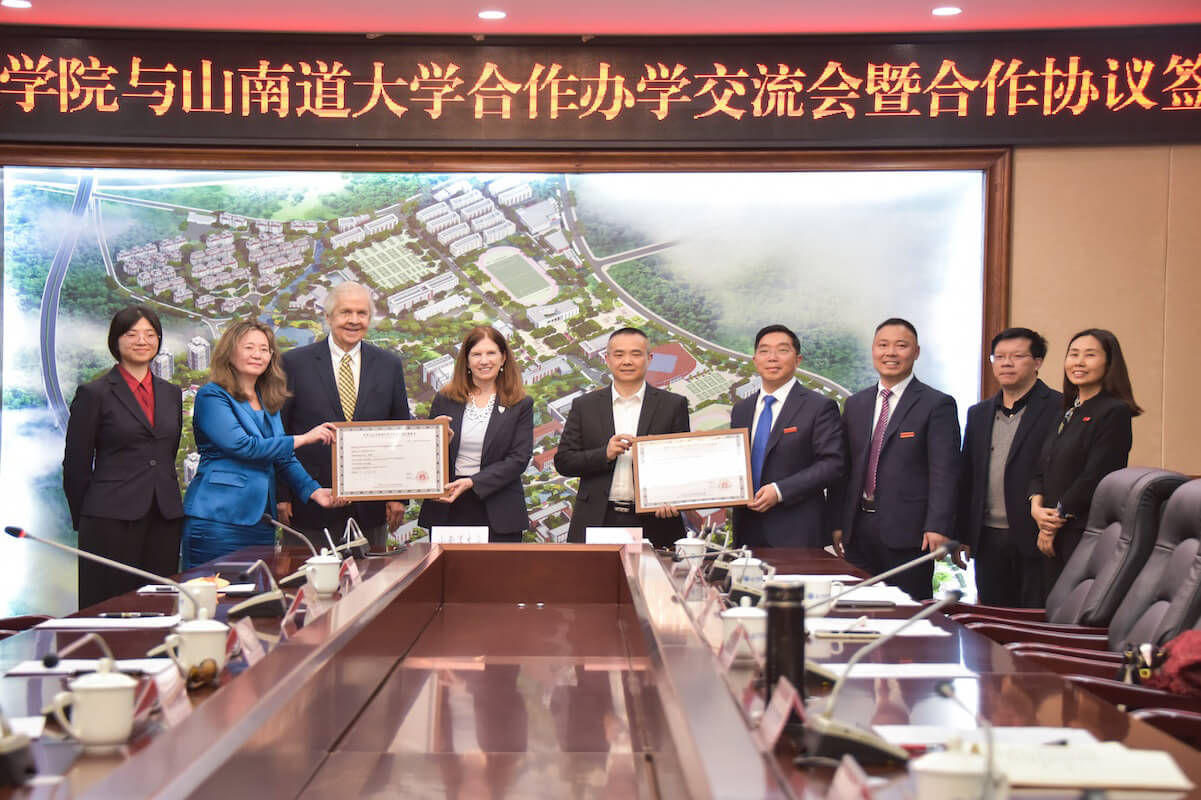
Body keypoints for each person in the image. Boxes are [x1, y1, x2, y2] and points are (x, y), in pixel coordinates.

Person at [182, 321, 344, 568]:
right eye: (249, 347)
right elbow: (244, 446)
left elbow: (283, 458)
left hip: (260, 522)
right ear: (230, 351)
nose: (257, 354)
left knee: (254, 600)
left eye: (264, 349)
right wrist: (304, 438)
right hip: (218, 520)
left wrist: (314, 491)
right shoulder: (212, 396)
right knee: (214, 597)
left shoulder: (267, 400)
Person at [62, 305, 184, 608]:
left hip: (163, 515)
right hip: (109, 519)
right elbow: (76, 464)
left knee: (159, 607)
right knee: (109, 606)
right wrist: (88, 517)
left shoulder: (171, 393)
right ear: (116, 341)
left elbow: (166, 453)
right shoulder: (95, 393)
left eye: (150, 334)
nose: (142, 341)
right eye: (132, 334)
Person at [829, 318, 960, 601]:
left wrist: (938, 525)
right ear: (873, 350)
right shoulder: (856, 404)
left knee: (905, 613)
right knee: (856, 608)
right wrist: (839, 522)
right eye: (883, 345)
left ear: (916, 352)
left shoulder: (936, 404)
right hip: (858, 529)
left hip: (909, 532)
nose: (891, 353)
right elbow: (845, 469)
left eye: (901, 346)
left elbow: (945, 471)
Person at [278, 282, 411, 550]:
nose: (354, 320)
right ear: (328, 317)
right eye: (345, 312)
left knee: (371, 586)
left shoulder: (390, 365)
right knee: (309, 586)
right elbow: (281, 432)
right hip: (309, 504)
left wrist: (400, 496)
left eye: (362, 313)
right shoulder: (293, 363)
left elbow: (400, 431)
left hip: (372, 506)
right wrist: (281, 495)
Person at [555, 327, 690, 547]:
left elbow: (683, 463)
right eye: (619, 355)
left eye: (636, 354)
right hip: (598, 519)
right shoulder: (584, 406)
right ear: (607, 360)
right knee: (593, 582)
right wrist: (604, 454)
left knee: (652, 582)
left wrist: (674, 499)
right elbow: (564, 462)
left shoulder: (673, 405)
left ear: (650, 358)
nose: (627, 361)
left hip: (655, 520)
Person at [1029, 328, 1139, 592]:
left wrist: (1052, 522)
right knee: (1049, 611)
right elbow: (1040, 468)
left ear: (1109, 363)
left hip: (1083, 530)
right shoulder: (1066, 411)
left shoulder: (1113, 411)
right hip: (1052, 527)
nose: (1078, 362)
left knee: (1071, 611)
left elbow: (1095, 476)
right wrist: (1036, 506)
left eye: (1089, 355)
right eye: (1073, 354)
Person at [957, 327, 1062, 607]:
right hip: (987, 537)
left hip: (1035, 536)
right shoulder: (978, 413)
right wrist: (963, 534)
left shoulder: (1059, 408)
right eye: (999, 356)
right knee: (993, 622)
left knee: (1033, 623)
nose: (1006, 363)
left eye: (1017, 356)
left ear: (1037, 362)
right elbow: (967, 476)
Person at [730, 324, 844, 548]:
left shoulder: (819, 406)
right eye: (764, 351)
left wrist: (780, 491)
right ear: (755, 360)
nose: (772, 358)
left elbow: (833, 463)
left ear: (798, 359)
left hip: (796, 531)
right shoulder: (742, 409)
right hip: (746, 528)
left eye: (782, 350)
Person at [418, 326, 534, 542]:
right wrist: (439, 442)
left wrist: (473, 482)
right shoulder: (445, 398)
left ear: (503, 358)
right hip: (449, 503)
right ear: (467, 360)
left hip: (499, 507)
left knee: (499, 576)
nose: (484, 360)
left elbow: (519, 459)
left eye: (491, 353)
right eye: (477, 354)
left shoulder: (521, 403)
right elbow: (426, 458)